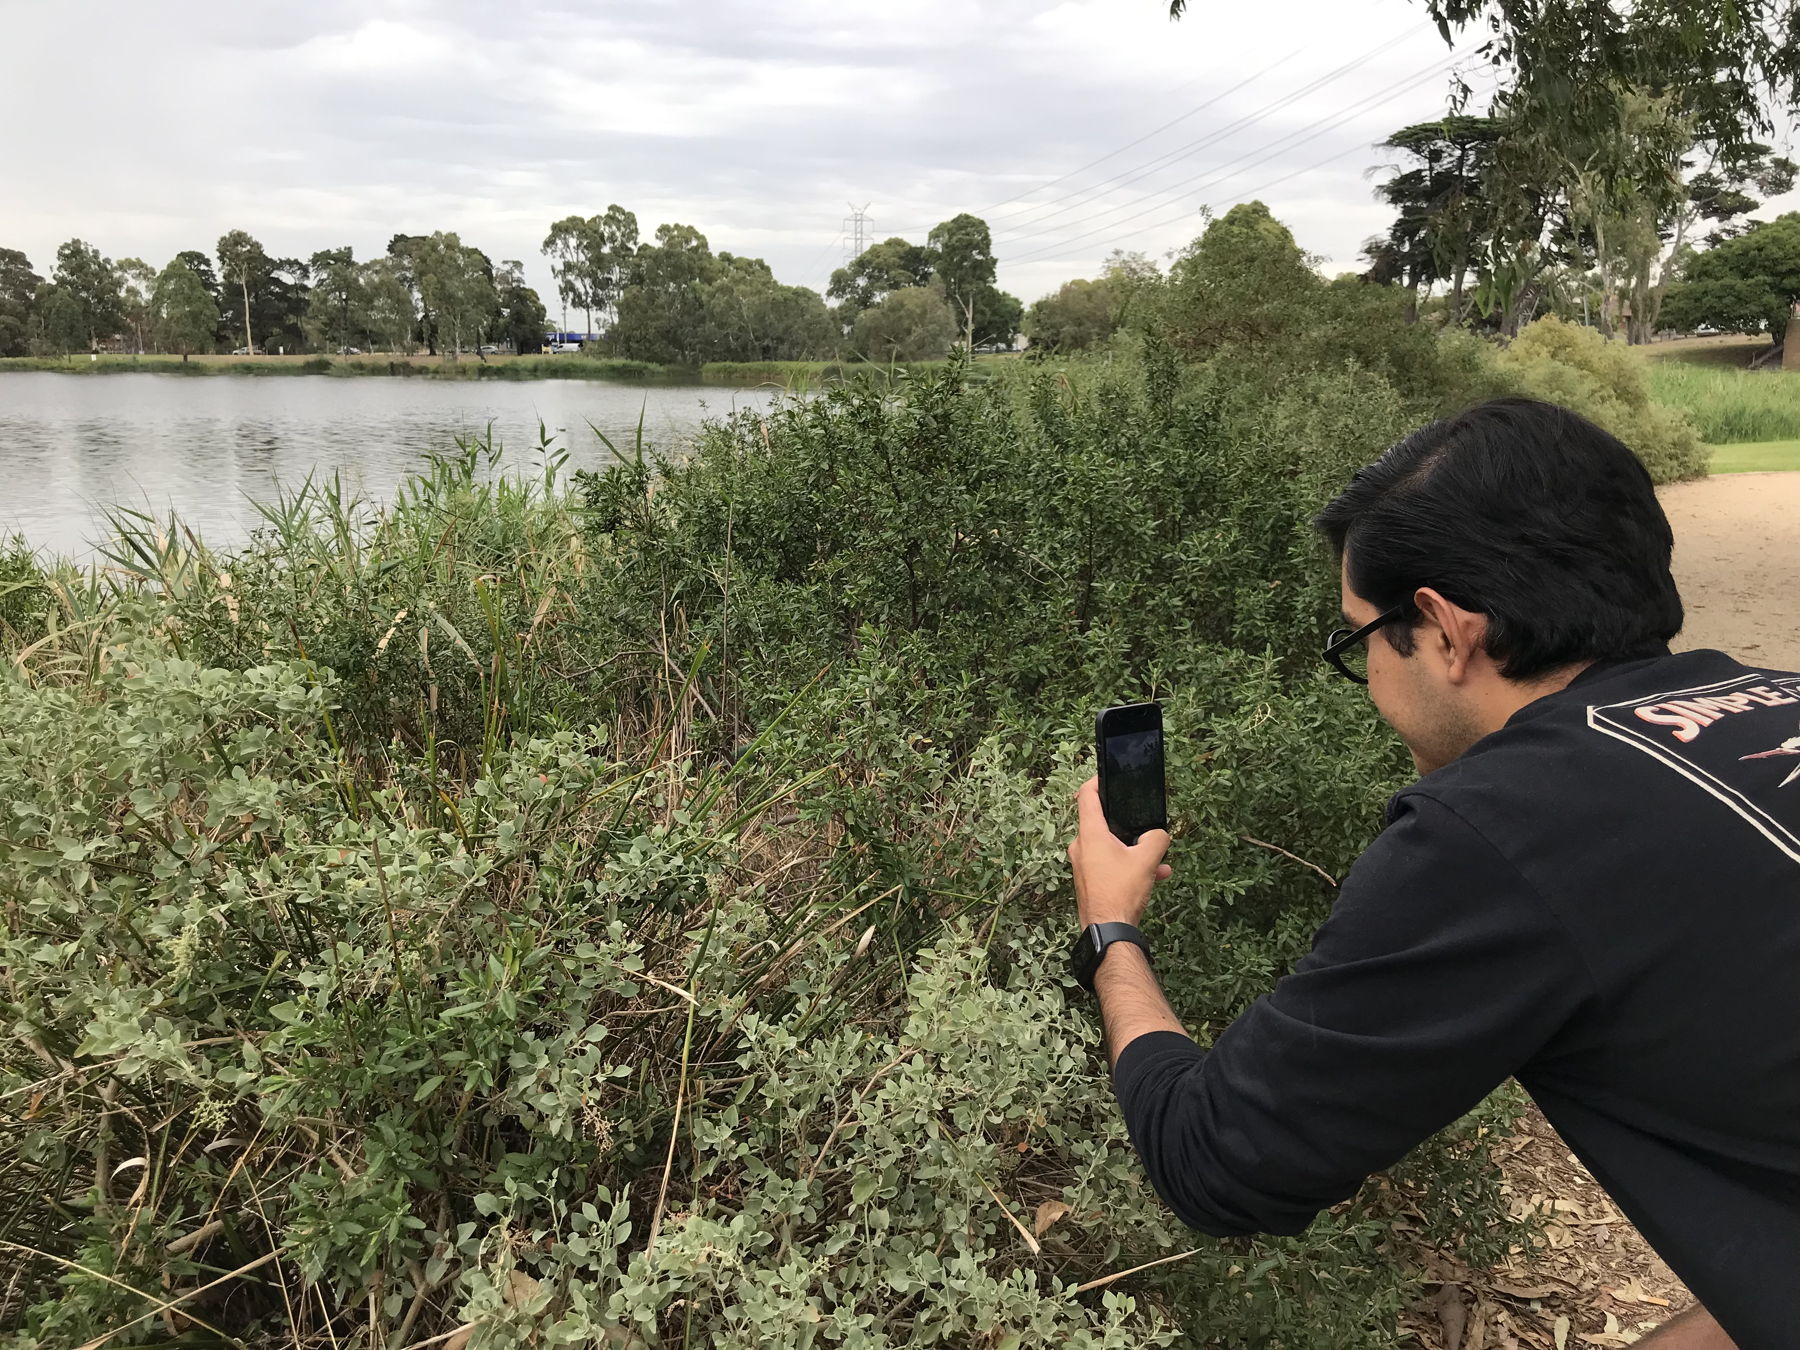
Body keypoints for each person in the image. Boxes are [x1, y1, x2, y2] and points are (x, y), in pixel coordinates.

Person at [1065, 398, 1800, 1350]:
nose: (1366, 674)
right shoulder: (1769, 700)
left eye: (1356, 639)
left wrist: (1110, 931)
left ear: (1446, 632)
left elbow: (1215, 1159)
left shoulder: (1505, 826)